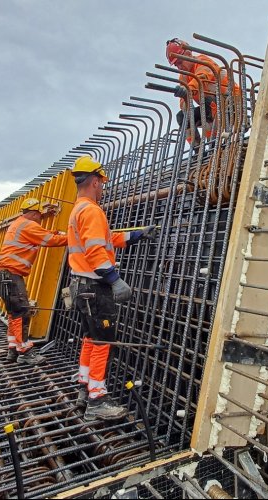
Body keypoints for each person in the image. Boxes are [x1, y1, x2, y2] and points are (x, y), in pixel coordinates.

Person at [68, 156, 157, 421]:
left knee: (91, 338)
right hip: (95, 287)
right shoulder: (92, 210)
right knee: (104, 341)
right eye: (102, 183)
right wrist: (114, 279)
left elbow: (108, 239)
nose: (103, 188)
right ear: (95, 181)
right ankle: (97, 400)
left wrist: (138, 234)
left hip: (80, 285)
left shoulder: (79, 209)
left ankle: (84, 389)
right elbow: (96, 250)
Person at [0, 198, 67, 365]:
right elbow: (50, 241)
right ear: (34, 214)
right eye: (40, 216)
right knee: (22, 314)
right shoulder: (29, 225)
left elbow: (44, 235)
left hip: (3, 275)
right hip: (10, 275)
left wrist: (54, 232)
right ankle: (25, 352)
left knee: (14, 314)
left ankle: (13, 349)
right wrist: (72, 238)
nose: (40, 220)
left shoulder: (19, 224)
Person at [166, 38, 240, 148]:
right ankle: (197, 150)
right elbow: (184, 104)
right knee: (182, 117)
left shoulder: (203, 62)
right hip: (212, 108)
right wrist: (186, 103)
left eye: (180, 62)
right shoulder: (184, 77)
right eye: (176, 65)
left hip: (232, 102)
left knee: (208, 104)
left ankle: (213, 144)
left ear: (189, 54)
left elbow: (201, 77)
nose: (180, 67)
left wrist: (188, 89)